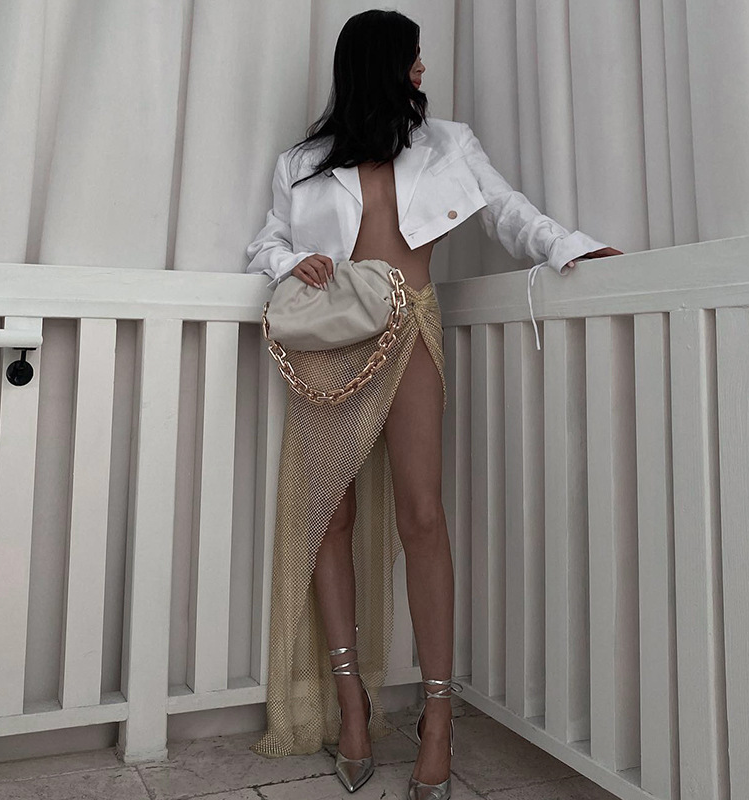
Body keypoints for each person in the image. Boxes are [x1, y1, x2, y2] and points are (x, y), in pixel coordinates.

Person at [245, 9, 622, 798]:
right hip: (333, 333)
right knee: (330, 515)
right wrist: (293, 261)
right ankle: (351, 705)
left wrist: (571, 247)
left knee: (423, 515)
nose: (423, 70)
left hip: (412, 323)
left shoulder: (448, 142)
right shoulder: (303, 162)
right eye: (413, 58)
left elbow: (509, 209)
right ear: (381, 64)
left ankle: (439, 716)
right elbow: (266, 243)